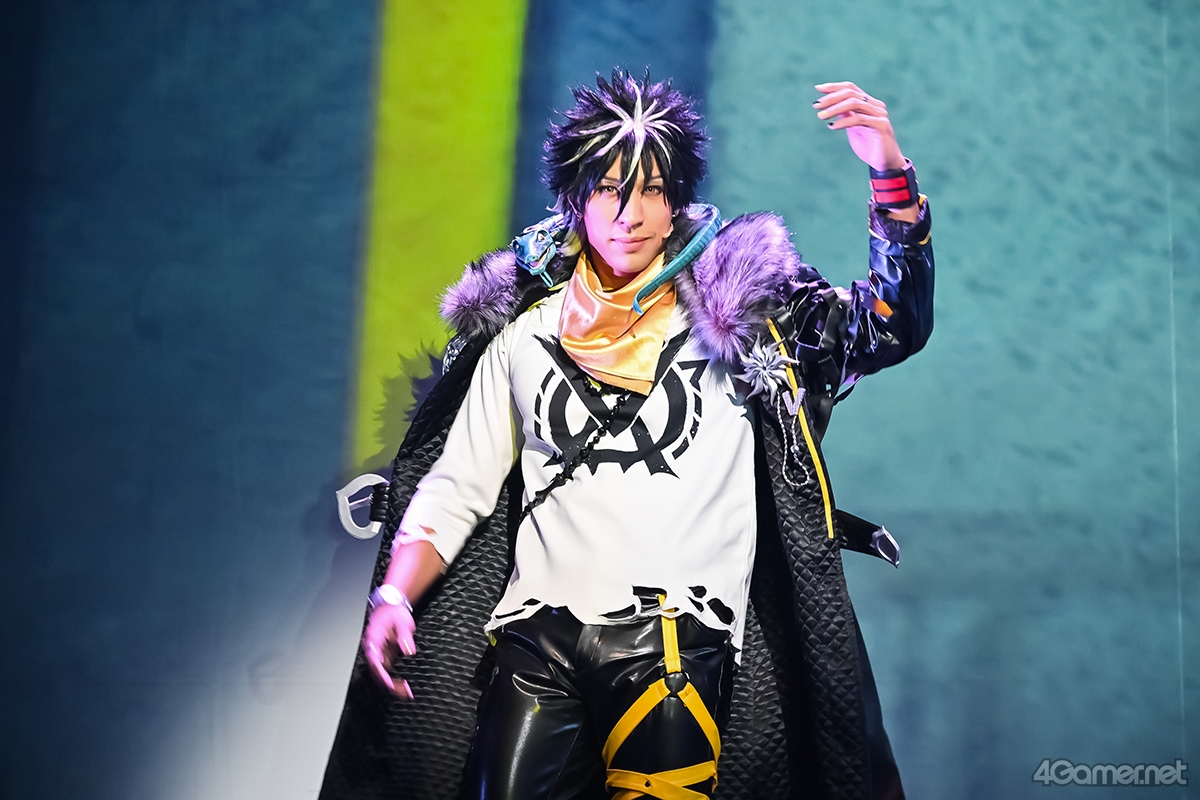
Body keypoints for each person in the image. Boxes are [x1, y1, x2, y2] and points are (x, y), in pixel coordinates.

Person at [320, 69, 934, 800]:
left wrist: (888, 173)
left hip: (673, 642)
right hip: (535, 645)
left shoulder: (743, 321)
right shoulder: (526, 336)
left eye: (652, 190)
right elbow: (457, 488)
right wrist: (394, 596)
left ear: (677, 204)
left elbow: (888, 325)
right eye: (610, 189)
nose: (630, 213)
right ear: (576, 200)